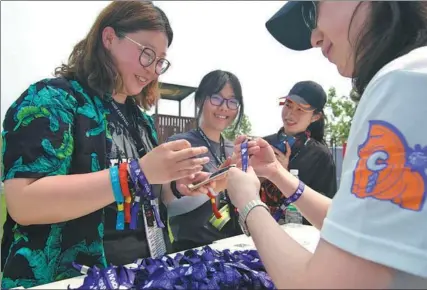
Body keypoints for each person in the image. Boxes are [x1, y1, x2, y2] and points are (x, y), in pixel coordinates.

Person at [0, 2, 212, 288]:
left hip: (146, 275)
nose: (152, 70)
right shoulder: (52, 99)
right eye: (147, 54)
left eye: (160, 61)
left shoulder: (142, 121)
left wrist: (175, 185)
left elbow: (147, 197)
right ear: (109, 38)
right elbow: (24, 203)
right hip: (71, 279)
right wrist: (136, 173)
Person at [225, 1, 427, 288]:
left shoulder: (404, 81)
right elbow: (356, 225)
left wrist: (247, 201)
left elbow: (323, 284)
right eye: (288, 105)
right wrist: (276, 173)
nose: (314, 38)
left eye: (313, 10)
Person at [161, 70, 244, 252]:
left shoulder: (233, 149)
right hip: (191, 253)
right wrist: (216, 186)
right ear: (200, 100)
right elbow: (169, 206)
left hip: (231, 249)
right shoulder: (180, 144)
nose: (224, 107)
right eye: (216, 98)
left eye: (232, 101)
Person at [261, 80, 337, 224]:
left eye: (300, 110)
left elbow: (325, 213)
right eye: (288, 105)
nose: (290, 114)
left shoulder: (320, 155)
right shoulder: (264, 144)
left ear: (315, 117)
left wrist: (282, 174)